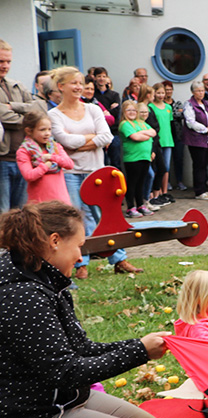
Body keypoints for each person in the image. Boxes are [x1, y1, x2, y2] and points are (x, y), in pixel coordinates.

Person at [0, 200, 171, 418]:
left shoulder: (43, 277)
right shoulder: (22, 296)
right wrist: (139, 352)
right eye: (78, 246)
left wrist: (139, 345)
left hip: (63, 401)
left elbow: (82, 349)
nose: (81, 256)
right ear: (54, 241)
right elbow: (66, 372)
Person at [49, 67, 141, 277]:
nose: (78, 87)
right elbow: (64, 142)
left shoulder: (93, 109)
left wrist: (78, 145)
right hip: (71, 174)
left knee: (105, 216)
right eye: (74, 83)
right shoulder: (53, 115)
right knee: (78, 219)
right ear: (61, 86)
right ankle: (81, 263)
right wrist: (92, 140)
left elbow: (106, 137)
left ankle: (119, 260)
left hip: (96, 172)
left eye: (80, 83)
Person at [0, 40, 45, 211]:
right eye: (1, 61)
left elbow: (40, 109)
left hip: (24, 157)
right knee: (3, 213)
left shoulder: (17, 85)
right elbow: (4, 117)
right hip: (2, 159)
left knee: (21, 213)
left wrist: (14, 106)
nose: (5, 66)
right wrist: (27, 117)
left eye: (8, 61)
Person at [17, 110, 72, 205]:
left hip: (61, 201)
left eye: (49, 129)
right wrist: (45, 166)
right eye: (42, 130)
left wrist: (53, 158)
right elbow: (29, 175)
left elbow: (69, 164)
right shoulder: (24, 151)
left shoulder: (55, 147)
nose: (47, 133)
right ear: (29, 131)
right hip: (40, 203)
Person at [119, 100, 156, 218]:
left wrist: (142, 132)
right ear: (124, 111)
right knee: (132, 182)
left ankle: (140, 205)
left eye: (134, 110)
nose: (132, 112)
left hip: (145, 157)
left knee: (141, 182)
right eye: (129, 110)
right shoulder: (125, 124)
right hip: (132, 158)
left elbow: (153, 132)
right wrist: (145, 135)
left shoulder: (140, 123)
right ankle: (130, 207)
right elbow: (135, 137)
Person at [182, 81, 208, 200]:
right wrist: (206, 129)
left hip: (207, 139)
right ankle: (199, 191)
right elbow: (190, 122)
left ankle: (204, 188)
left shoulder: (205, 103)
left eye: (202, 91)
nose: (201, 93)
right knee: (198, 165)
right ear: (193, 92)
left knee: (204, 164)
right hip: (195, 140)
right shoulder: (189, 104)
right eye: (198, 91)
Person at [148, 83, 176, 205]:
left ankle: (164, 192)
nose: (160, 95)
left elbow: (170, 124)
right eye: (158, 93)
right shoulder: (150, 107)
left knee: (166, 168)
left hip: (168, 140)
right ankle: (156, 192)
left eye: (162, 93)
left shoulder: (168, 107)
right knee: (157, 167)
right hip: (156, 141)